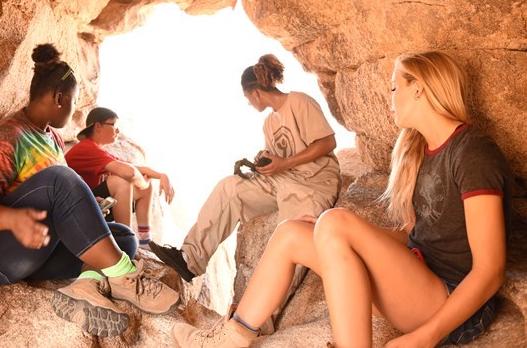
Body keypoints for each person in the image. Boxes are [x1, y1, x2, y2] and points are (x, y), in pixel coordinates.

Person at [171, 51, 512, 348]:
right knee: (291, 232)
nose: (389, 96)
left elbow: (490, 272)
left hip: (449, 301)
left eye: (395, 87)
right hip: (413, 279)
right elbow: (413, 234)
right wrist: (334, 233)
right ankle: (229, 339)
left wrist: (424, 337)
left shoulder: (472, 153)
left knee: (333, 222)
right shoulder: (419, 151)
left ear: (419, 88)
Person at [0, 44, 179, 338]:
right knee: (60, 177)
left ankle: (84, 287)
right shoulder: (6, 136)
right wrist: (13, 220)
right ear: (59, 98)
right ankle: (125, 276)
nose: (75, 111)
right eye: (74, 102)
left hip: (35, 250)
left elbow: (59, 199)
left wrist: (87, 206)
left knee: (123, 237)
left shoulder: (52, 138)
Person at [149, 53, 341, 332]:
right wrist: (259, 163)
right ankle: (190, 260)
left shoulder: (298, 101)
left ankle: (259, 321)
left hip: (312, 183)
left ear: (255, 92)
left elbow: (327, 142)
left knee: (290, 235)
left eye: (247, 97)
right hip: (283, 180)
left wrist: (284, 163)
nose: (249, 102)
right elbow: (278, 157)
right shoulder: (269, 122)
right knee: (230, 187)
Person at [65, 107, 175, 249]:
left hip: (95, 205)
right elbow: (130, 173)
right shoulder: (87, 148)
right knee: (122, 182)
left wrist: (162, 176)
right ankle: (126, 240)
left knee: (145, 189)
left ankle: (144, 242)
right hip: (75, 211)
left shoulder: (100, 151)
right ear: (98, 126)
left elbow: (135, 168)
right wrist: (143, 184)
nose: (118, 131)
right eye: (114, 126)